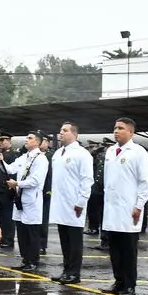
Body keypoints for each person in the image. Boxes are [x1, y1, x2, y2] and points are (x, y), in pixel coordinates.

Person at [102, 118, 148, 295]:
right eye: (115, 128)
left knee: (128, 250)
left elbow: (144, 182)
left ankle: (129, 285)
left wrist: (139, 205)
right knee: (114, 250)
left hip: (128, 208)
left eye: (121, 128)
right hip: (111, 209)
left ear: (131, 132)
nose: (116, 131)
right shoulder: (110, 151)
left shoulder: (138, 152)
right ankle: (119, 281)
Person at [49, 121, 94, 284]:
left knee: (74, 240)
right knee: (65, 239)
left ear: (74, 134)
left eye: (65, 130)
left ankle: (74, 273)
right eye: (60, 130)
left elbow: (87, 180)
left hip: (74, 204)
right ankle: (66, 270)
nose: (61, 133)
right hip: (60, 204)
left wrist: (81, 201)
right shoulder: (58, 153)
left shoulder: (82, 154)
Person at [5, 131, 48, 272]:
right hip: (20, 199)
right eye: (27, 137)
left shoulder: (41, 159)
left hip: (32, 199)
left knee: (31, 232)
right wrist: (1, 160)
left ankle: (33, 261)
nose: (26, 140)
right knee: (22, 232)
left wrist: (16, 184)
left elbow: (35, 181)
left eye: (30, 138)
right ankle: (25, 260)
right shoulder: (24, 157)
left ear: (37, 142)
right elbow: (11, 168)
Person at [0, 132, 16, 248]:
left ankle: (8, 239)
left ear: (9, 141)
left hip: (6, 190)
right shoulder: (0, 154)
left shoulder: (13, 154)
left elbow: (13, 172)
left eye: (3, 140)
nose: (0, 143)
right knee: (0, 216)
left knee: (7, 217)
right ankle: (1, 238)